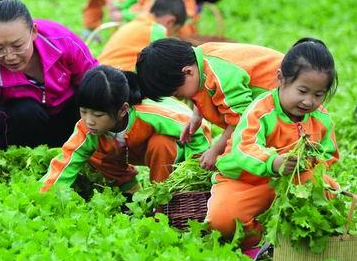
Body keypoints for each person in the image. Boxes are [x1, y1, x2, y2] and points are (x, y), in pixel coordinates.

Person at [0, 0, 98, 189]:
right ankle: (35, 165)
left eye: (18, 45)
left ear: (33, 32)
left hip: (65, 123)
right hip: (21, 129)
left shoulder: (61, 40)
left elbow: (97, 83)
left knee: (86, 97)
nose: (10, 56)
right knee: (25, 111)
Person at [207, 38, 339, 249]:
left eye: (318, 95)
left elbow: (329, 155)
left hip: (294, 183)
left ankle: (289, 238)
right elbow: (244, 147)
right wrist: (273, 163)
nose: (309, 101)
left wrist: (313, 159)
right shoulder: (260, 110)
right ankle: (260, 242)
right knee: (221, 219)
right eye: (302, 91)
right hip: (248, 181)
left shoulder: (321, 118)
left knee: (329, 191)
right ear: (281, 79)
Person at [41, 65, 211, 192]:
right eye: (84, 112)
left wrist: (196, 165)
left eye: (98, 115)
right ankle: (131, 192)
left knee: (161, 143)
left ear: (122, 110)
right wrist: (45, 195)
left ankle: (161, 195)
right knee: (94, 153)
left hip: (174, 147)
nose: (89, 121)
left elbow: (197, 128)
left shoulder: (151, 115)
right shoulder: (87, 128)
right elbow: (67, 160)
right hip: (129, 149)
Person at [136, 39, 284, 170]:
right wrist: (197, 115)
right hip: (267, 104)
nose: (181, 99)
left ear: (188, 72)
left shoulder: (220, 75)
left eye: (178, 94)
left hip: (283, 102)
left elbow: (241, 120)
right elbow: (201, 86)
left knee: (232, 164)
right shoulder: (199, 58)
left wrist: (215, 150)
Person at [98, 0, 186, 71]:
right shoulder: (157, 30)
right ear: (170, 22)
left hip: (100, 71)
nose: (170, 35)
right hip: (116, 77)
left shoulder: (139, 21)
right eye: (174, 31)